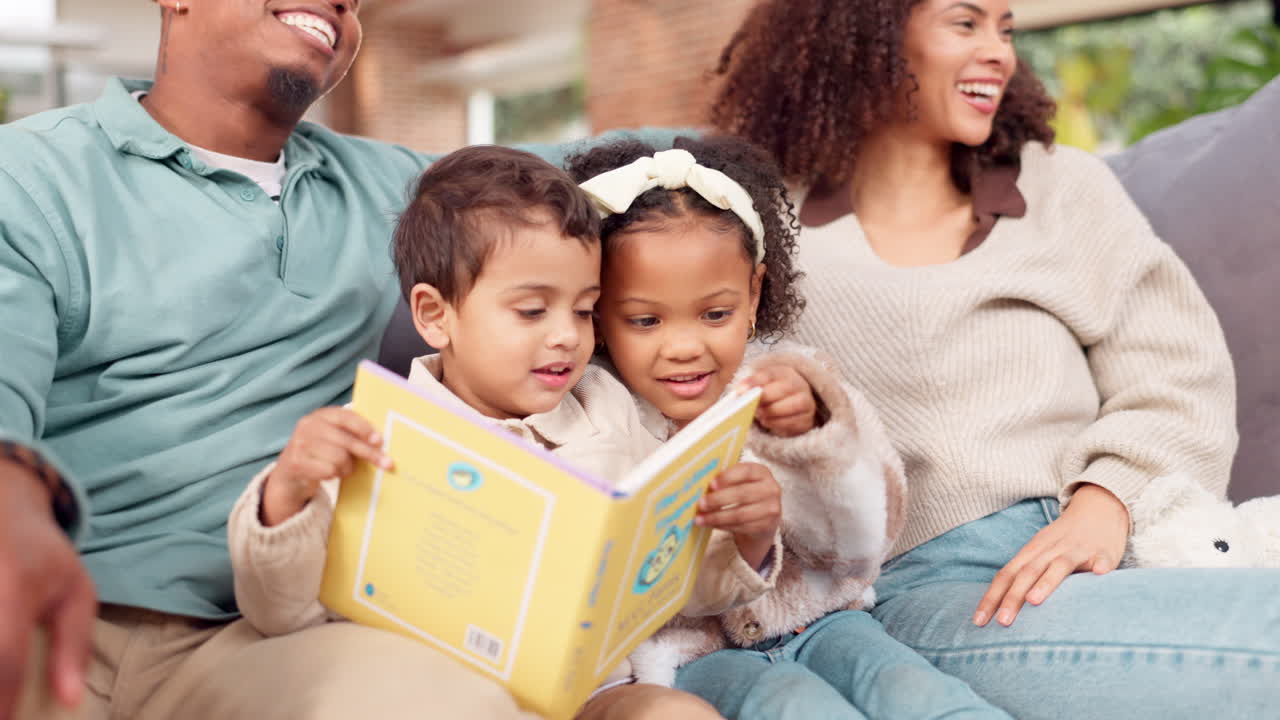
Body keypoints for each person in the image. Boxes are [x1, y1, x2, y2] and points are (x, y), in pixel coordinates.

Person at [0, 1, 681, 718]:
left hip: (269, 634)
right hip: (50, 597)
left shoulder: (404, 193)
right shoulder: (29, 174)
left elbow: (635, 164)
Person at [708, 0, 1280, 718]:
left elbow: (1181, 375)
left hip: (1130, 540)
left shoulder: (1062, 187)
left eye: (1005, 28)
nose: (1000, 52)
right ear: (869, 31)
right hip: (947, 591)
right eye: (966, 22)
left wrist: (1106, 502)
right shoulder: (766, 232)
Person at [228, 145, 788, 720]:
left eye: (583, 310)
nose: (567, 336)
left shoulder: (608, 408)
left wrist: (749, 538)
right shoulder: (373, 433)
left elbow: (672, 582)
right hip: (430, 696)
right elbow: (278, 612)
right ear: (435, 315)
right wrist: (286, 495)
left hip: (592, 693)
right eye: (532, 311)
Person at [565, 135, 1013, 719]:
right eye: (645, 320)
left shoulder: (797, 384)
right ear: (599, 314)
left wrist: (808, 443)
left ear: (753, 293)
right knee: (795, 705)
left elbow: (865, 548)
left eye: (715, 314)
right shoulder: (595, 417)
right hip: (695, 655)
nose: (684, 347)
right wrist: (746, 542)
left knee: (920, 695)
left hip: (825, 623)